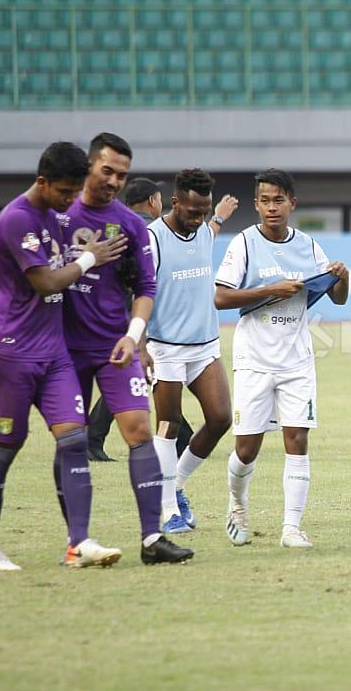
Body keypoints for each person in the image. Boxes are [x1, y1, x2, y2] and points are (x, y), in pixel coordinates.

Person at [0, 135, 195, 565]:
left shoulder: (126, 223)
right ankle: (30, 543)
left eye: (121, 175)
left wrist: (135, 335)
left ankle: (147, 539)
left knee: (131, 432)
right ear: (88, 167)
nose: (113, 181)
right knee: (50, 442)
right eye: (106, 171)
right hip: (55, 348)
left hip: (109, 347)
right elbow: (7, 235)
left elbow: (146, 286)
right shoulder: (56, 207)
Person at [0, 142, 127, 570]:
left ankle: (78, 543)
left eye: (73, 192)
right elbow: (46, 282)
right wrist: (87, 259)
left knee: (74, 439)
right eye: (64, 192)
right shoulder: (18, 216)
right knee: (5, 447)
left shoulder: (49, 215)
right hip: (10, 354)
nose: (69, 200)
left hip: (53, 352)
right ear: (42, 182)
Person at [214, 169, 349, 549]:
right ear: (256, 204)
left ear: (292, 203)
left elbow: (337, 296)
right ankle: (237, 504)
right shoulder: (243, 243)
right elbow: (220, 297)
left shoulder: (307, 246)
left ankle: (291, 527)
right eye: (264, 201)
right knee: (247, 448)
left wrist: (343, 276)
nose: (271, 208)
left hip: (296, 359)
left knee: (297, 438)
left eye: (278, 200)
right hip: (255, 357)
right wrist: (270, 289)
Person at [146, 169, 238, 533]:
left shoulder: (203, 229)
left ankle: (177, 484)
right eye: (192, 211)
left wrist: (217, 219)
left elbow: (210, 231)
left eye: (205, 211)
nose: (198, 219)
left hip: (204, 347)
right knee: (167, 427)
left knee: (220, 419)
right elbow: (138, 294)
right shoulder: (152, 239)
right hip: (165, 349)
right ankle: (167, 510)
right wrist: (139, 345)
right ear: (175, 202)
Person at [84, 177, 194, 462]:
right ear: (153, 201)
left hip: (110, 311)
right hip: (139, 316)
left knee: (133, 376)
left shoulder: (115, 225)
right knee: (136, 376)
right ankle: (180, 436)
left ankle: (181, 435)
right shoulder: (150, 231)